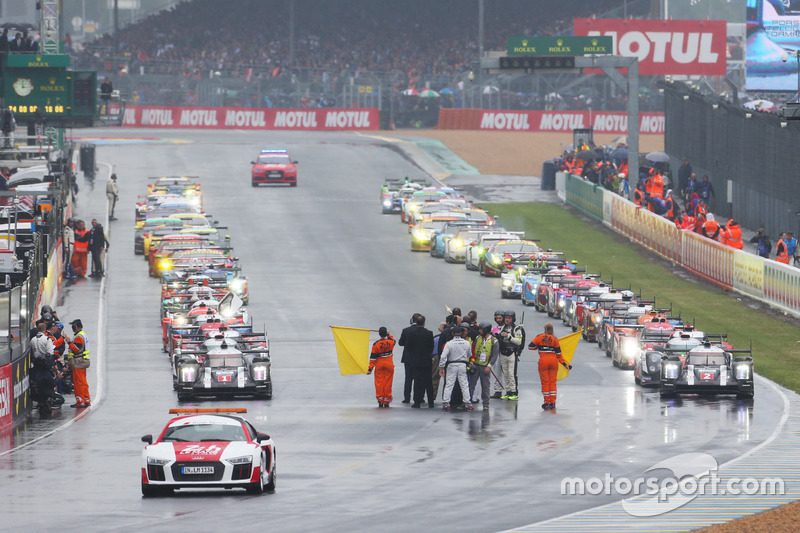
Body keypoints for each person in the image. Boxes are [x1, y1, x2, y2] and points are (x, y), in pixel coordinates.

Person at [528, 322, 571, 410]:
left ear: (544, 329)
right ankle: (553, 402)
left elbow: (530, 347)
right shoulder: (555, 340)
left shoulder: (539, 337)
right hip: (553, 361)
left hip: (543, 361)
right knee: (552, 382)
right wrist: (565, 364)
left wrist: (539, 347)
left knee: (545, 382)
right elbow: (559, 355)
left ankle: (547, 402)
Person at [439, 323, 474, 412]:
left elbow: (443, 356)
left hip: (452, 365)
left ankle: (446, 403)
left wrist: (442, 367)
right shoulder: (466, 343)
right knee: (464, 384)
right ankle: (467, 403)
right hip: (462, 364)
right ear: (461, 333)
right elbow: (470, 354)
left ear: (452, 333)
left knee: (449, 384)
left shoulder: (449, 343)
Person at [403, 314, 434, 408]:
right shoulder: (429, 333)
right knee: (428, 382)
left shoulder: (411, 334)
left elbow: (407, 347)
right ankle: (430, 402)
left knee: (417, 381)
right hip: (426, 361)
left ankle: (417, 402)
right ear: (424, 323)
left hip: (415, 361)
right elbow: (431, 347)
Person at [469, 322, 499, 411]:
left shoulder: (494, 341)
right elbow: (473, 349)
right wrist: (472, 362)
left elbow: (494, 355)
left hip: (485, 366)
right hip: (476, 365)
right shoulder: (478, 338)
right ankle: (468, 401)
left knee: (485, 386)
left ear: (486, 330)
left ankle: (486, 403)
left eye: (481, 329)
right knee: (471, 384)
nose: (479, 331)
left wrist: (489, 366)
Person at [497, 310, 524, 400]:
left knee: (511, 373)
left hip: (512, 353)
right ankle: (508, 391)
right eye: (506, 318)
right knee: (506, 373)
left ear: (513, 319)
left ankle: (514, 392)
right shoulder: (502, 328)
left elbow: (519, 342)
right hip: (503, 353)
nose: (507, 320)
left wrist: (508, 336)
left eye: (509, 318)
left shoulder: (516, 329)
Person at [65, 319, 91, 408]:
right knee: (83, 381)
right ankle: (86, 399)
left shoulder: (79, 337)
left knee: (78, 382)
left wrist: (68, 342)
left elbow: (76, 349)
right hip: (82, 362)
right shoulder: (82, 334)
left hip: (78, 362)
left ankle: (80, 401)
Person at [368, 326, 395, 408]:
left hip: (379, 364)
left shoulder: (376, 344)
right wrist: (389, 334)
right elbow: (393, 339)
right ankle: (386, 400)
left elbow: (373, 357)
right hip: (389, 364)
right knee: (388, 383)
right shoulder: (391, 342)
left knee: (379, 383)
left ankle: (380, 400)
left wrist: (370, 368)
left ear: (379, 334)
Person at [397, 312, 421, 404]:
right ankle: (418, 397)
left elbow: (400, 343)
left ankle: (407, 397)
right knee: (418, 378)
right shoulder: (423, 330)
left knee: (408, 378)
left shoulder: (406, 330)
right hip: (418, 358)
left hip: (408, 358)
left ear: (412, 321)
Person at [490, 310, 505, 398]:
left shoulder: (506, 328)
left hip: (505, 353)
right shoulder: (494, 328)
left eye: (500, 318)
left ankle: (511, 390)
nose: (498, 319)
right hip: (496, 353)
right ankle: (498, 390)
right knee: (497, 372)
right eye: (497, 318)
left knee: (507, 373)